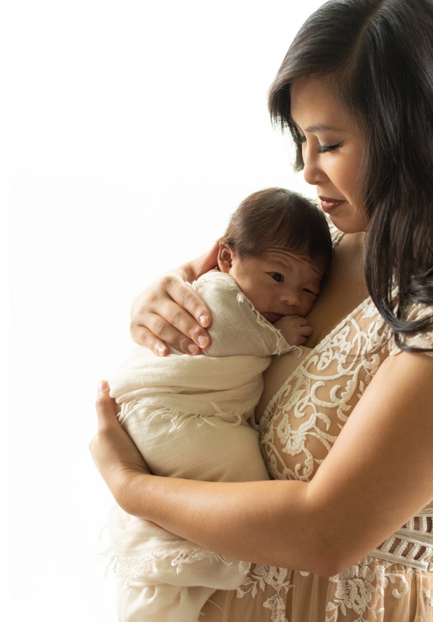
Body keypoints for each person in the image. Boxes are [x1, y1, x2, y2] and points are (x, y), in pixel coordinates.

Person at [91, 0, 433, 622]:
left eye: (330, 144)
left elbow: (325, 535)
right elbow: (211, 313)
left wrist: (130, 488)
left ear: (414, 138)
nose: (307, 172)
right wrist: (163, 298)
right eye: (302, 142)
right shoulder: (323, 244)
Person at [106, 187, 331, 621]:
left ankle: (175, 585)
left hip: (181, 418)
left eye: (309, 289)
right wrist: (280, 336)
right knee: (244, 484)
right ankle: (177, 583)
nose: (290, 299)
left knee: (200, 512)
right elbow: (223, 329)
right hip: (167, 412)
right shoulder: (219, 294)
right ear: (227, 260)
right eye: (277, 278)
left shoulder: (281, 272)